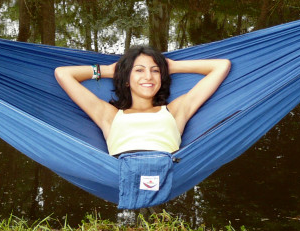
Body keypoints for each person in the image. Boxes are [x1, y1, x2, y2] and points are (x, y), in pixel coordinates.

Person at [55, 46, 231, 156]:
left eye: (155, 71)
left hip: (166, 169)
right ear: (126, 79)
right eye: (139, 70)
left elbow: (222, 66)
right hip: (120, 170)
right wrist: (109, 70)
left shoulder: (175, 110)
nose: (148, 76)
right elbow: (63, 74)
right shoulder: (109, 115)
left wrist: (174, 66)